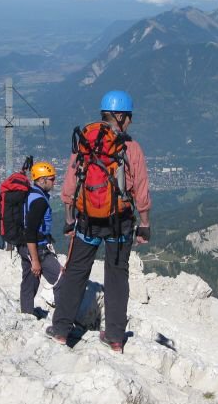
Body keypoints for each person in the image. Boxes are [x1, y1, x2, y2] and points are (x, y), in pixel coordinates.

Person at [46, 90, 151, 352]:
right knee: (117, 276)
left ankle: (61, 330)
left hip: (88, 221)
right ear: (121, 116)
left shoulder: (85, 142)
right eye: (129, 117)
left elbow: (71, 184)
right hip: (121, 222)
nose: (130, 122)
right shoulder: (131, 148)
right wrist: (145, 224)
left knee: (76, 271)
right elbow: (140, 188)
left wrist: (70, 220)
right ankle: (115, 337)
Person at [18, 161, 63, 317]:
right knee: (61, 280)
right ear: (42, 180)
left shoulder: (31, 194)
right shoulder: (39, 201)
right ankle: (62, 321)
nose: (54, 181)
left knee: (30, 281)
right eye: (51, 179)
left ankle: (26, 314)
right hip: (37, 248)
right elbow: (31, 231)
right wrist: (36, 260)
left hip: (24, 246)